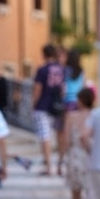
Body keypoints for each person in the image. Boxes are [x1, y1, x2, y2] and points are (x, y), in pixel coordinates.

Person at [59, 86, 95, 199]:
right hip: (90, 158)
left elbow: (65, 140)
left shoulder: (71, 117)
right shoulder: (95, 117)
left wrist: (60, 160)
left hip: (74, 158)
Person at [32, 43, 65, 176]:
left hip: (43, 105)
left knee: (45, 136)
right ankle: (60, 165)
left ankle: (48, 166)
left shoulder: (42, 70)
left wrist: (33, 103)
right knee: (59, 136)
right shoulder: (61, 69)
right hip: (57, 106)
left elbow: (38, 88)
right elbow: (63, 89)